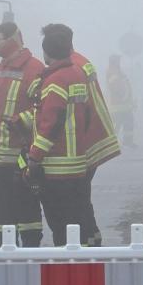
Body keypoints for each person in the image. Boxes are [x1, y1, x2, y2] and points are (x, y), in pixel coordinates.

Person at [40, 23, 120, 246]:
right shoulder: (81, 63)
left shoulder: (70, 69)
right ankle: (91, 240)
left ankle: (83, 247)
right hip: (89, 141)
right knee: (81, 200)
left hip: (79, 145)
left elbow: (62, 114)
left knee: (72, 206)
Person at [22, 25, 93, 246]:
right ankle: (80, 265)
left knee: (60, 225)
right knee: (76, 222)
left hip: (56, 168)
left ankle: (66, 268)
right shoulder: (77, 74)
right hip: (77, 164)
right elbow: (87, 114)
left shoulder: (55, 80)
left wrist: (34, 158)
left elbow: (50, 124)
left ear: (46, 52)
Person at [0, 21, 45, 247]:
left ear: (12, 40)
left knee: (25, 203)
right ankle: (5, 246)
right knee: (2, 206)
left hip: (20, 153)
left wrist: (22, 121)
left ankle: (31, 248)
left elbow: (44, 108)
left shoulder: (34, 69)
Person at [106, 54, 136, 147]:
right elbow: (114, 86)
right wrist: (122, 96)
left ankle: (128, 142)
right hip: (117, 106)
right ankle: (110, 145)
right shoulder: (112, 72)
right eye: (118, 60)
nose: (119, 62)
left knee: (129, 124)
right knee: (116, 125)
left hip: (125, 105)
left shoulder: (119, 72)